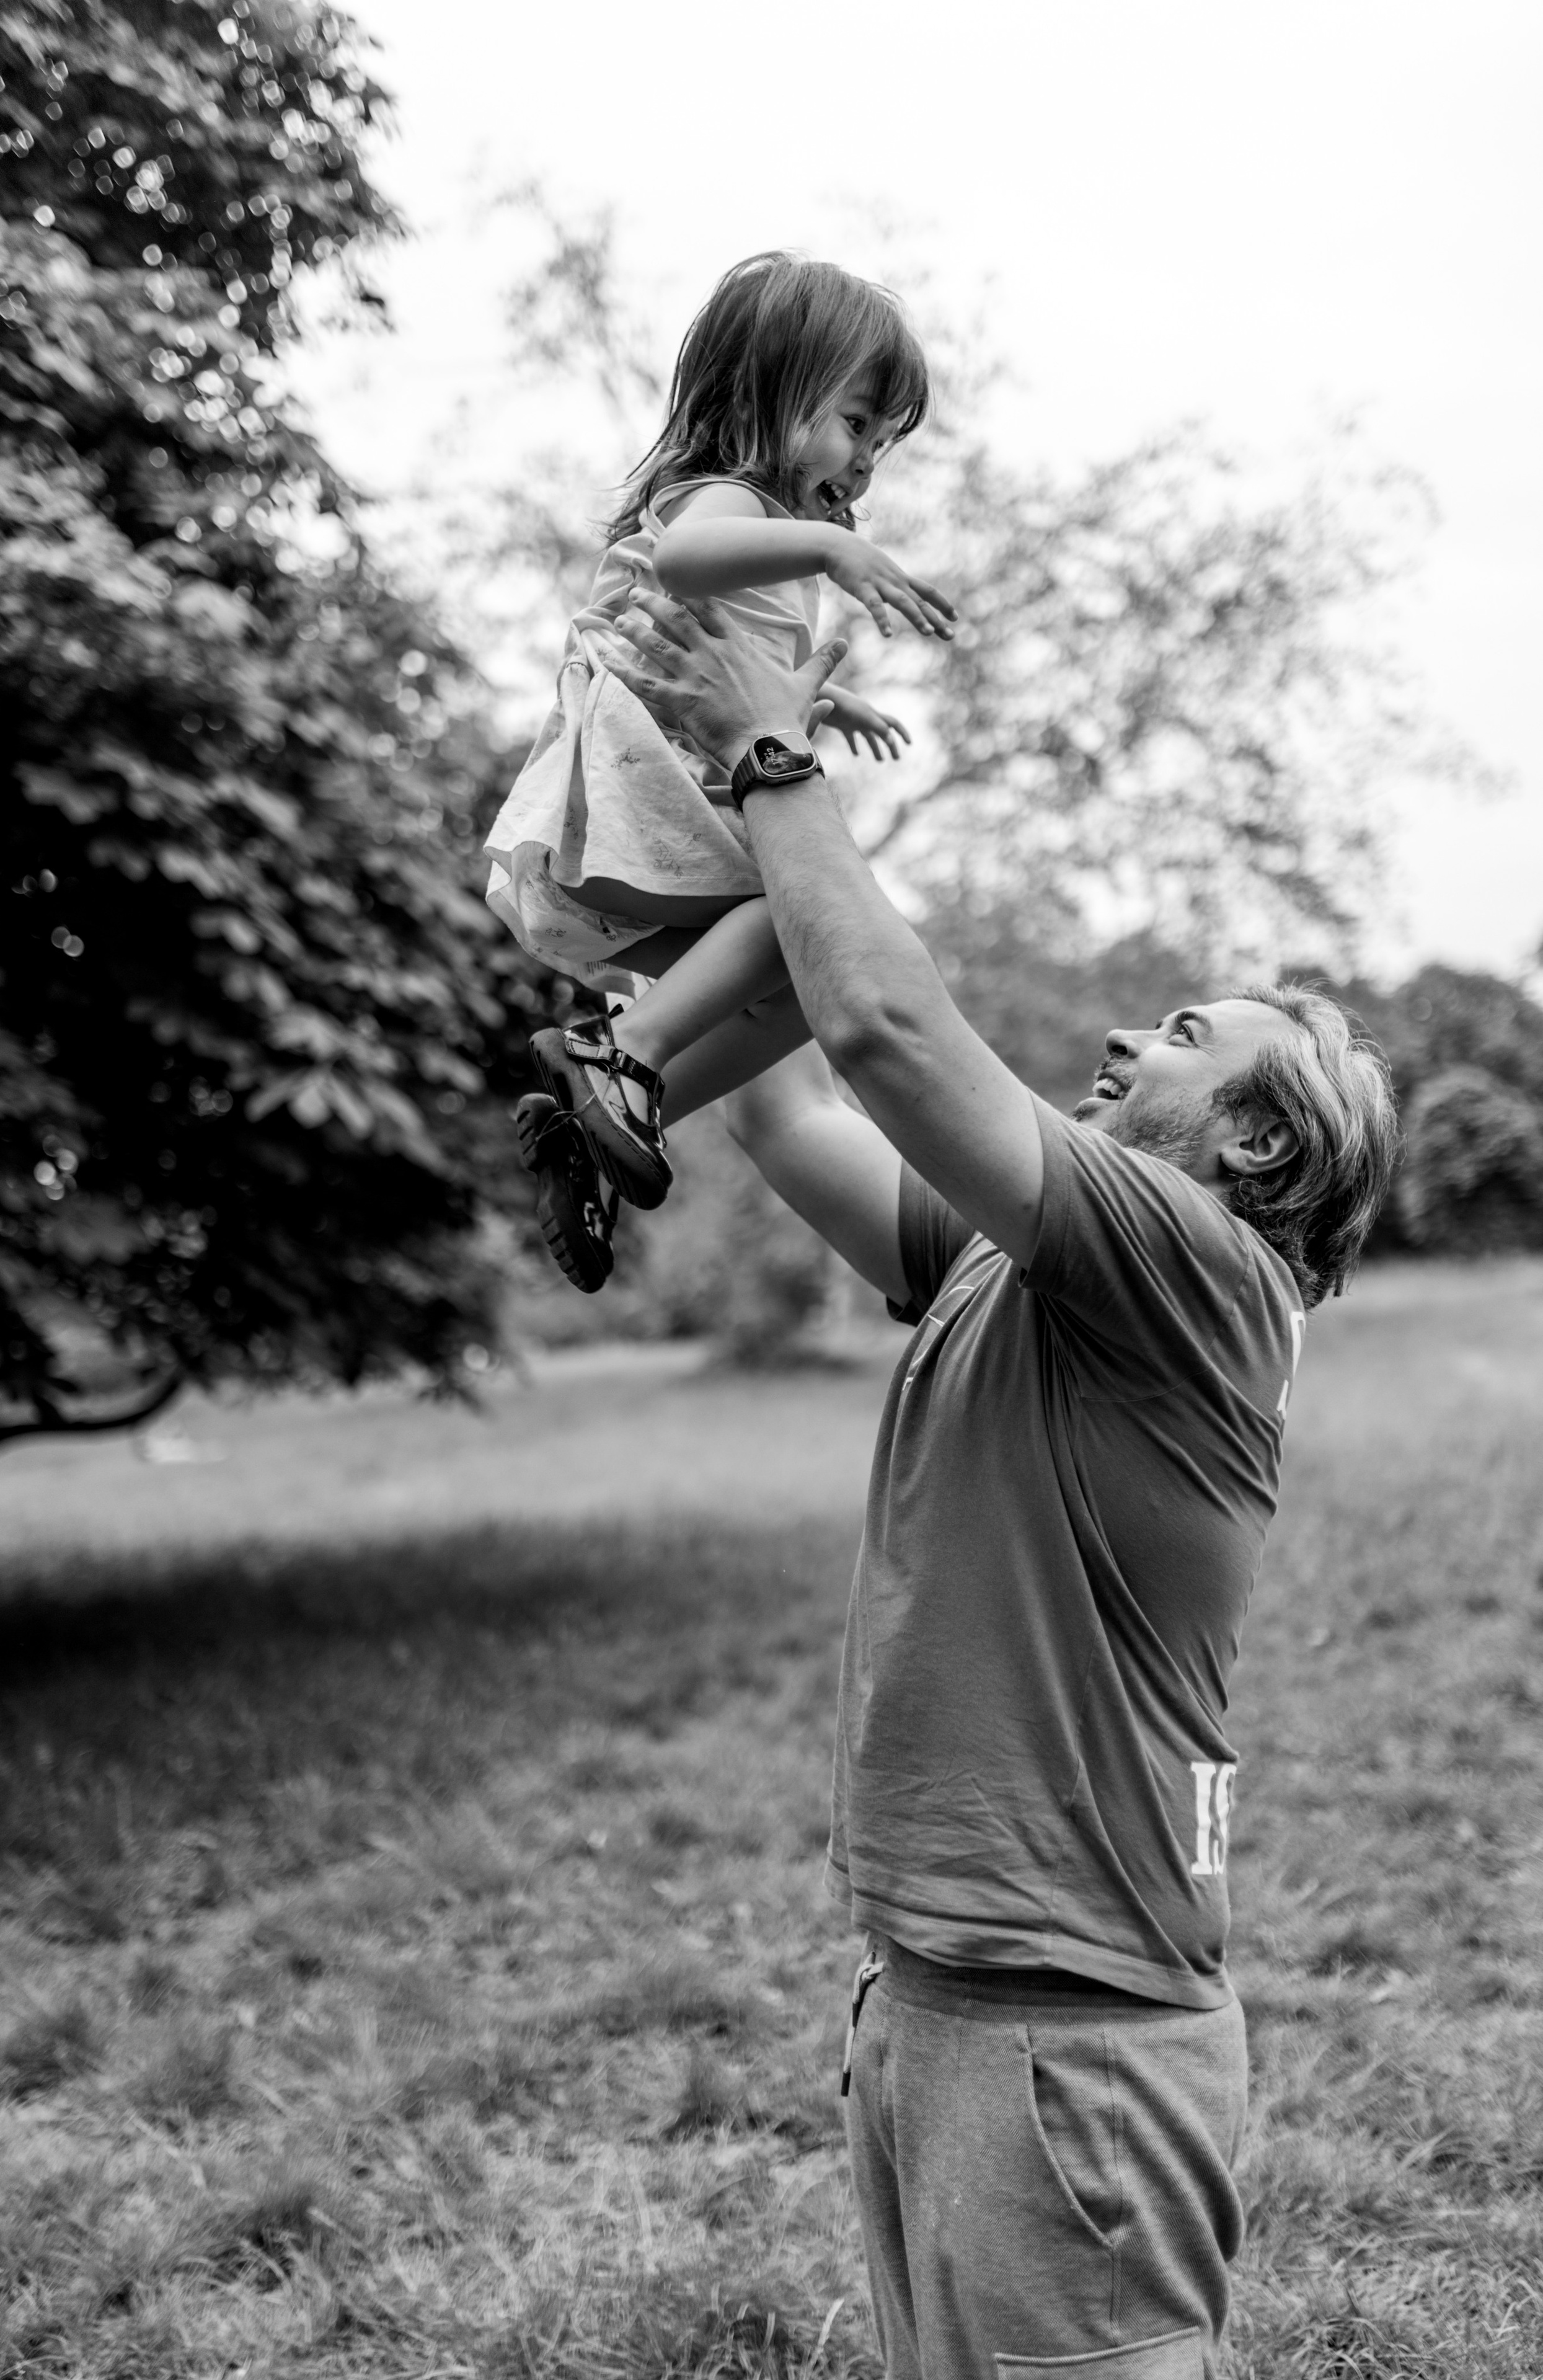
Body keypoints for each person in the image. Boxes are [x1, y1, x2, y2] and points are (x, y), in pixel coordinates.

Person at [568, 586, 1400, 2380]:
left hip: (1073, 2037)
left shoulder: (1191, 1265)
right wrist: (656, 823)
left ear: (1255, 1139)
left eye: (1180, 1032)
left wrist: (772, 747)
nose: (1121, 1042)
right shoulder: (1014, 1256)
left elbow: (886, 1028)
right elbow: (793, 1108)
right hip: (940, 1997)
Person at [486, 251, 954, 1286]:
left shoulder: (770, 542)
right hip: (623, 807)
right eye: (855, 422)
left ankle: (601, 1108)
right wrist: (831, 553)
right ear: (765, 394)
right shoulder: (724, 502)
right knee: (800, 923)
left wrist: (826, 703)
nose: (869, 459)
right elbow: (687, 563)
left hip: (648, 816)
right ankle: (623, 1055)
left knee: (804, 983)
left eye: (885, 440)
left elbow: (747, 684)